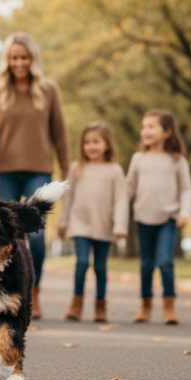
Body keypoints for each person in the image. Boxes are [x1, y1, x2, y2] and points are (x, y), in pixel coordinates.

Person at [0, 32, 69, 319]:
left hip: (39, 170)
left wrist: (67, 170)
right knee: (4, 235)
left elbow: (59, 134)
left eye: (24, 57)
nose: (19, 63)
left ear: (33, 59)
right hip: (4, 171)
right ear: (7, 61)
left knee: (34, 235)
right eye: (14, 58)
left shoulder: (48, 90)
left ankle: (32, 291)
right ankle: (8, 292)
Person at [126, 109, 191, 325]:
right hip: (143, 218)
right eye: (144, 126)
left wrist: (185, 212)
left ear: (167, 132)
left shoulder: (177, 160)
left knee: (165, 262)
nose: (145, 130)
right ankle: (145, 305)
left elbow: (186, 188)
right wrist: (116, 212)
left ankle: (169, 305)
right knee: (146, 265)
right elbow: (128, 189)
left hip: (168, 218)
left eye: (151, 126)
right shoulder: (138, 158)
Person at [58, 123, 128, 323]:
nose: (91, 146)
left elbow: (121, 199)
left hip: (103, 224)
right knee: (81, 263)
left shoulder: (114, 170)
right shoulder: (76, 168)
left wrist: (120, 225)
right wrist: (63, 222)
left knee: (100, 267)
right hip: (79, 224)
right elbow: (68, 198)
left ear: (107, 145)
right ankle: (76, 303)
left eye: (96, 142)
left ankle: (100, 304)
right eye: (87, 142)